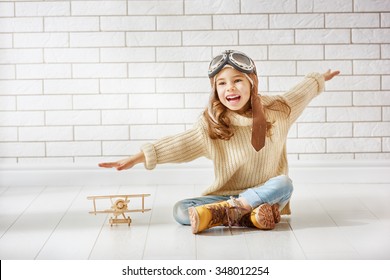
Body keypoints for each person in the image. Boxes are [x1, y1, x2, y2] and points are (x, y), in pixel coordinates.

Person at [99, 50, 340, 234]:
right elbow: (179, 144)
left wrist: (320, 78)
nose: (230, 88)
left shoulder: (278, 110)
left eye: (237, 80)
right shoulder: (212, 124)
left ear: (251, 83)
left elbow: (303, 91)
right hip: (224, 198)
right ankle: (249, 216)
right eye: (222, 83)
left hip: (268, 194)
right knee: (181, 210)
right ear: (215, 89)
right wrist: (137, 158)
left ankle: (239, 212)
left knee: (284, 184)